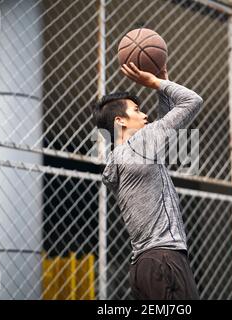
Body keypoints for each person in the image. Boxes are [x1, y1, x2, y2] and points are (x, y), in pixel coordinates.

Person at [92, 62, 203, 299]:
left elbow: (164, 129)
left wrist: (163, 86)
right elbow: (192, 101)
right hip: (165, 260)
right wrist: (155, 83)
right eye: (136, 110)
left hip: (144, 266)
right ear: (120, 121)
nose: (145, 115)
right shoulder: (140, 145)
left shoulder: (124, 154)